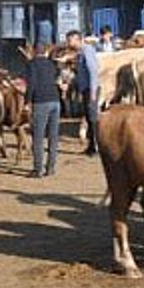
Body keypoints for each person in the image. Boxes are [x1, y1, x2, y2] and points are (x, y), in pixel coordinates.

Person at [26, 44, 62, 178]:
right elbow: (57, 77)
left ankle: (38, 169)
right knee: (53, 136)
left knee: (38, 136)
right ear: (45, 51)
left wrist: (27, 101)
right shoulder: (52, 64)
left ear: (33, 51)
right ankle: (51, 167)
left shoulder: (32, 64)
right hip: (55, 100)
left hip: (41, 101)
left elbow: (32, 83)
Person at [66, 31, 100, 155]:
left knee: (93, 118)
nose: (68, 43)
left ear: (77, 39)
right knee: (88, 118)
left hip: (90, 90)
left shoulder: (87, 51)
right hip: (86, 89)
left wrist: (93, 92)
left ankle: (96, 146)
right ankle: (91, 146)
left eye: (70, 40)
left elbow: (93, 71)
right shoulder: (80, 53)